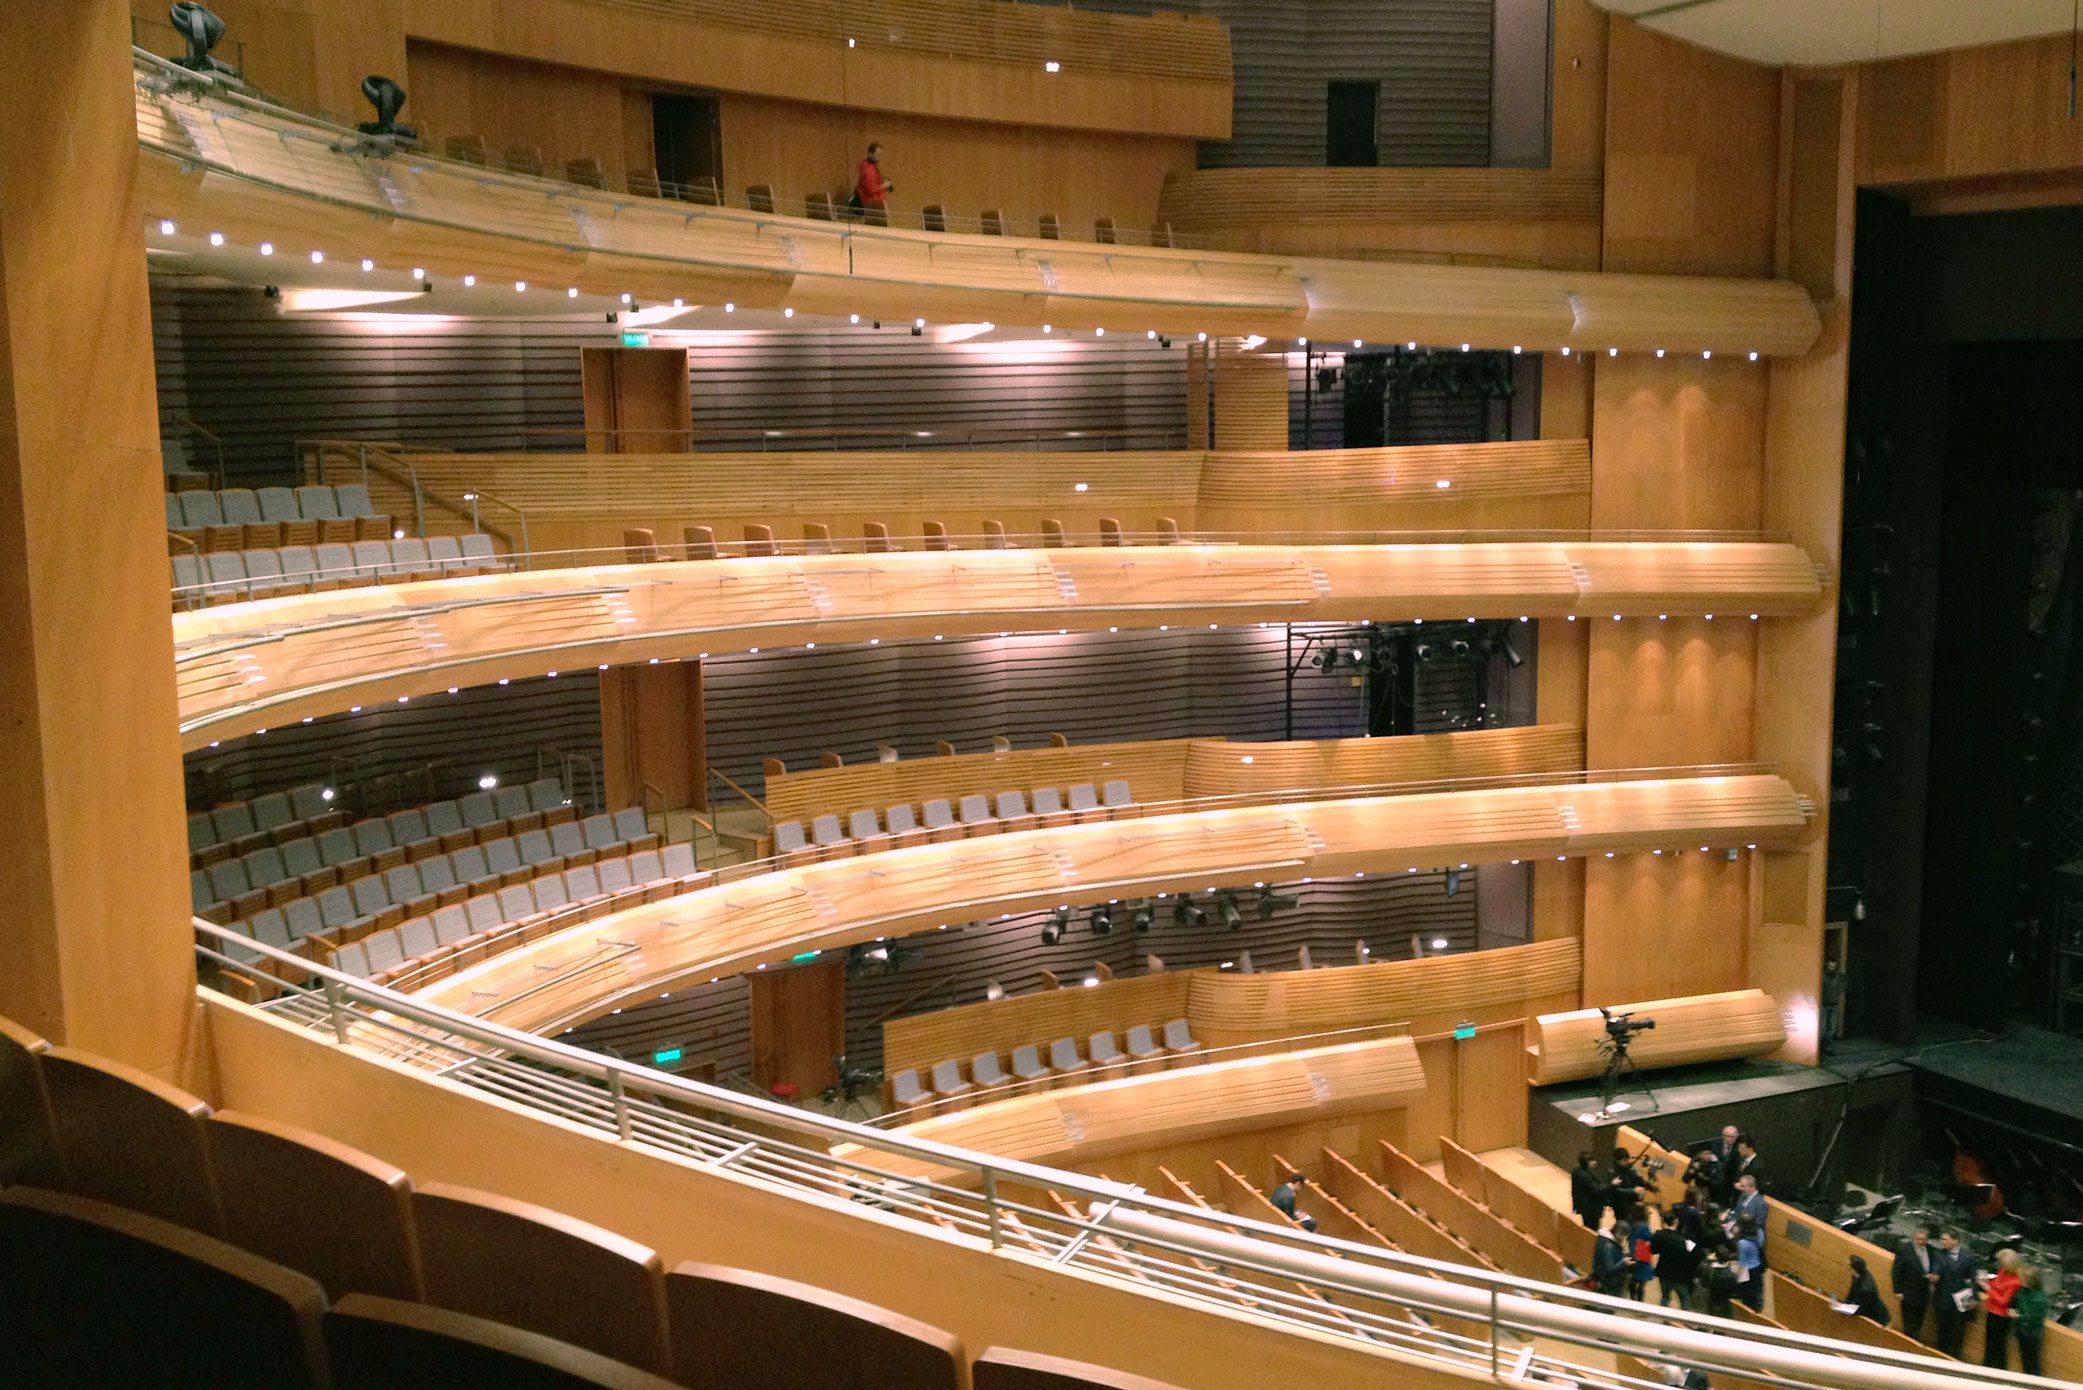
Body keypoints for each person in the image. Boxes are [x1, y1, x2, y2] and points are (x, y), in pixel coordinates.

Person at [1931, 1229, 1979, 1357]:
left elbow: (1973, 1278)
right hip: (1943, 1297)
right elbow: (1936, 1268)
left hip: (1962, 1298)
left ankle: (1954, 1356)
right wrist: (1935, 1276)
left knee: (1958, 1330)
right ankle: (1940, 1354)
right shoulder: (1939, 1254)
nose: (1943, 1242)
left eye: (1945, 1239)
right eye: (1942, 1239)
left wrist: (1974, 1297)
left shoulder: (1968, 1256)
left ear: (1955, 1240)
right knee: (1942, 1329)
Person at [1652, 1204, 1699, 1311]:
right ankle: (1685, 1321)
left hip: (1663, 1272)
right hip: (1680, 1275)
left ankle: (1663, 1319)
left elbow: (1653, 1250)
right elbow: (1693, 1256)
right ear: (1676, 1221)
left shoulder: (1659, 1234)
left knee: (1664, 1297)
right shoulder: (1684, 1241)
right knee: (1684, 1298)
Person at [1981, 1247, 2021, 1368]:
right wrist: (1988, 1283)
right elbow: (1997, 1285)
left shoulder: (2016, 1281)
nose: (2000, 1266)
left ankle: (1999, 1369)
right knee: (1989, 1343)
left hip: (2001, 1316)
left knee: (1998, 1346)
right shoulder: (2003, 1271)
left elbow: (2004, 1301)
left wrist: (1988, 1289)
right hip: (1992, 1310)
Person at [2014, 1265, 2049, 1377]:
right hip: (2021, 1330)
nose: (2020, 1281)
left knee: (2032, 1363)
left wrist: (2018, 1316)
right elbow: (2019, 1302)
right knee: (2024, 1359)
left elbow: (2034, 1318)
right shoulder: (2024, 1290)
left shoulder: (2040, 1299)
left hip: (2031, 1334)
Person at [1732, 1175, 1768, 1271]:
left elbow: (1757, 1223)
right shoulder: (1742, 1196)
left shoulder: (1761, 1204)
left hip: (1752, 1233)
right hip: (1739, 1228)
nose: (1740, 1188)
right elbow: (1736, 1212)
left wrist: (1740, 1229)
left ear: (1752, 1187)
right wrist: (1733, 1224)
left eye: (1743, 1186)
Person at [849, 143, 893, 219]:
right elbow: (870, 189)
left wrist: (882, 181)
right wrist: (884, 185)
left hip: (871, 202)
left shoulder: (868, 166)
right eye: (877, 155)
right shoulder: (869, 170)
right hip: (872, 204)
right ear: (870, 153)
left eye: (880, 155)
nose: (879, 158)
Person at [1844, 1254, 1889, 1326]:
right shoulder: (1857, 1274)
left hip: (1876, 1317)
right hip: (1867, 1310)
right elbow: (1852, 1293)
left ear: (1853, 1268)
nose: (1846, 1266)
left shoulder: (1866, 1288)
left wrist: (1844, 1309)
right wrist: (1845, 1304)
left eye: (1848, 1265)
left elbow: (1861, 1309)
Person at [1593, 1213, 1630, 1298]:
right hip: (1608, 1282)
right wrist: (1623, 1262)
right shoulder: (1608, 1246)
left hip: (1605, 1280)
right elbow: (1609, 1267)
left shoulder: (1605, 1240)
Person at [1698, 1243, 1739, 1318]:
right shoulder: (1732, 1276)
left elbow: (1704, 1283)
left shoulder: (1707, 1270)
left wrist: (1708, 1259)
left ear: (1716, 1256)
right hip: (1725, 1303)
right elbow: (1735, 1292)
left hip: (1711, 1300)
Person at [1734, 1217, 1765, 1311]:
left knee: (1747, 1295)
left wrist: (1739, 1279)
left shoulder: (1742, 1243)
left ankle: (1749, 1309)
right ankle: (1757, 1307)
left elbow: (1743, 1262)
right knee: (1757, 1290)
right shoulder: (1760, 1233)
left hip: (1748, 1270)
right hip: (1758, 1267)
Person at [1571, 1151, 1605, 1230]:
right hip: (1590, 1208)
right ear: (1587, 1162)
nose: (1595, 1162)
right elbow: (1597, 1190)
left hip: (1583, 1206)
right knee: (1592, 1228)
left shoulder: (1577, 1171)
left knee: (1588, 1226)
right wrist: (1612, 1186)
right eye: (1592, 1160)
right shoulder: (1586, 1176)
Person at [1629, 1205, 1657, 1301]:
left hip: (1634, 1250)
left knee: (1635, 1274)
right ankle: (1640, 1302)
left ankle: (1633, 1295)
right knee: (1642, 1280)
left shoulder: (1634, 1224)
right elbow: (1650, 1237)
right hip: (1643, 1251)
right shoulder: (1644, 1226)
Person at [1820, 959, 1846, 1051]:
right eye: (1830, 966)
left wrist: (1838, 993)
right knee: (1822, 1027)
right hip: (1823, 1004)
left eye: (1834, 966)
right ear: (1827, 965)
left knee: (1832, 1027)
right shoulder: (1822, 975)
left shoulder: (1837, 976)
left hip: (1833, 1004)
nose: (1832, 968)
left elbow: (1842, 985)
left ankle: (1826, 1046)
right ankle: (1820, 1047)